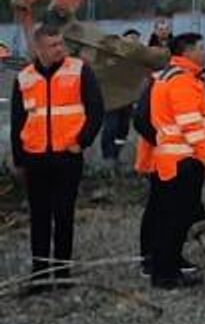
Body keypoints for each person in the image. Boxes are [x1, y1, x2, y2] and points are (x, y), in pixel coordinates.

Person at [9, 22, 104, 288]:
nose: (60, 49)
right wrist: (19, 160)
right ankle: (39, 276)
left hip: (67, 157)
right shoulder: (25, 77)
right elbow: (18, 122)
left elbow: (96, 110)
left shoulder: (79, 70)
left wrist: (81, 142)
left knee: (64, 216)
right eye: (53, 45)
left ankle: (62, 274)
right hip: (35, 158)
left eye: (61, 43)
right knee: (39, 218)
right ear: (38, 48)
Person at [144, 32, 205, 289]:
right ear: (187, 52)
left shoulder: (170, 76)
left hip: (170, 160)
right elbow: (191, 126)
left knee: (168, 218)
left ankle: (166, 266)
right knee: (175, 220)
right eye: (202, 48)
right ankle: (166, 274)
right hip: (183, 161)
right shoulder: (182, 81)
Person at [95, 28, 143, 165]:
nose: (134, 42)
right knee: (111, 126)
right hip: (112, 99)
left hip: (128, 100)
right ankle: (107, 156)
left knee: (123, 128)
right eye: (131, 39)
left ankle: (116, 154)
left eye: (136, 39)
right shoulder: (113, 56)